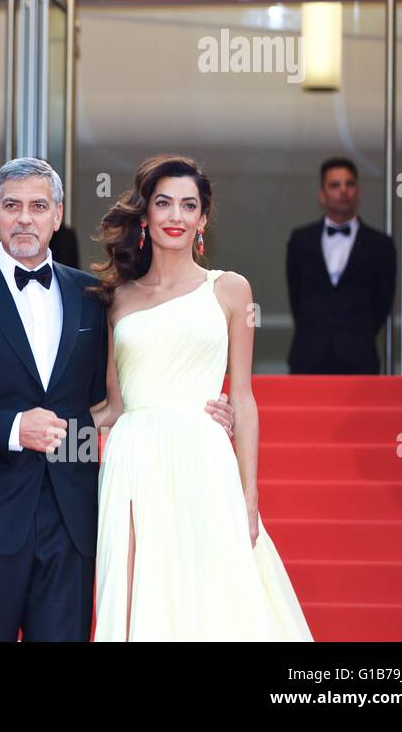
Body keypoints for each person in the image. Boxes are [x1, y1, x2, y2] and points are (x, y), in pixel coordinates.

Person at [0, 156, 235, 641]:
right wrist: (9, 424)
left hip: (73, 523)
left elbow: (120, 394)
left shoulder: (93, 295)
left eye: (38, 206)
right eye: (12, 206)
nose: (25, 218)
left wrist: (200, 409)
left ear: (57, 216)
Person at [91, 154, 311, 640]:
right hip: (133, 458)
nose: (175, 216)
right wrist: (34, 419)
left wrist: (249, 492)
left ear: (203, 218)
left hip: (204, 456)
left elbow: (245, 398)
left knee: (211, 591)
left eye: (188, 205)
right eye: (163, 203)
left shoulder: (230, 290)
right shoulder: (117, 298)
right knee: (134, 590)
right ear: (145, 215)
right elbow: (114, 404)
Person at [286, 157, 396, 374]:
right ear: (322, 194)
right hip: (308, 356)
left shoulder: (380, 244)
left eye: (350, 183)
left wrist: (355, 334)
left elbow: (383, 303)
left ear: (358, 191)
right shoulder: (300, 240)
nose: (343, 190)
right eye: (335, 185)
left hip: (360, 358)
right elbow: (296, 297)